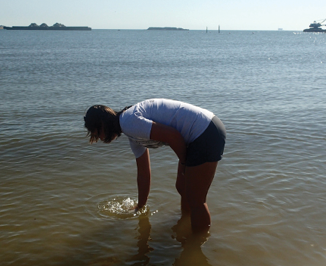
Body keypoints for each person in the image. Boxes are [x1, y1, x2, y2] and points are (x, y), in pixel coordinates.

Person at [84, 98, 226, 232]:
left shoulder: (129, 122)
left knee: (196, 199)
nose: (100, 139)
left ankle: (197, 244)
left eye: (97, 134)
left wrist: (183, 164)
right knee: (182, 187)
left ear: (102, 124)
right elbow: (144, 174)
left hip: (205, 131)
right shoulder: (131, 133)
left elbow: (173, 136)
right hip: (203, 130)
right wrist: (140, 207)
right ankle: (186, 224)